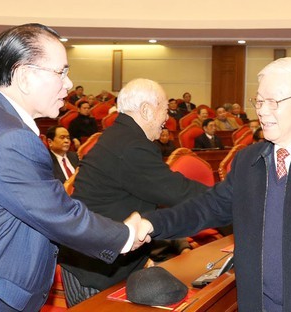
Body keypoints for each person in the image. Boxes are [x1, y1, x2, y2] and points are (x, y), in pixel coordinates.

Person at [0, 23, 152, 312]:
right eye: (61, 72)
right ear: (24, 76)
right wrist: (125, 235)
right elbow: (58, 214)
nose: (68, 83)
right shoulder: (9, 138)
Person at [145, 57, 291, 311]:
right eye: (259, 101)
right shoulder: (249, 160)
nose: (262, 110)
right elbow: (206, 208)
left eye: (273, 102)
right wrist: (151, 224)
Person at [59, 78, 207, 307]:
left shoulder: (122, 136)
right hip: (94, 268)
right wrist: (232, 198)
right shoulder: (130, 146)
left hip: (107, 260)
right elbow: (178, 191)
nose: (167, 119)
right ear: (147, 110)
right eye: (165, 111)